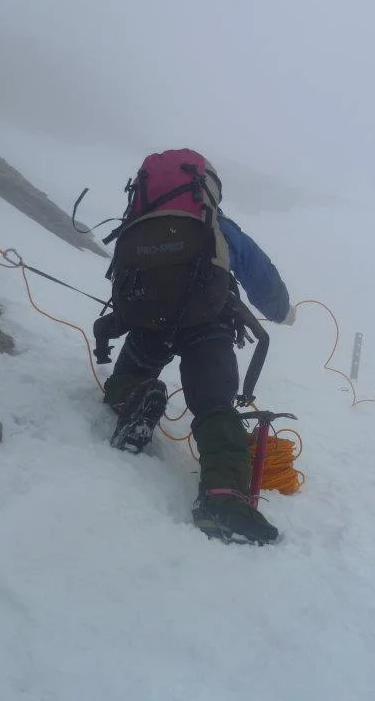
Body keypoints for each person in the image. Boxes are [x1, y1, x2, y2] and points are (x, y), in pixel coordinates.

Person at [93, 149, 295, 545]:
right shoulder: (218, 226)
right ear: (208, 190)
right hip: (209, 324)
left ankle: (136, 394)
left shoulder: (138, 222)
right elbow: (261, 275)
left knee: (130, 375)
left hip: (149, 322)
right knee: (214, 406)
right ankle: (224, 498)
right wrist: (282, 311)